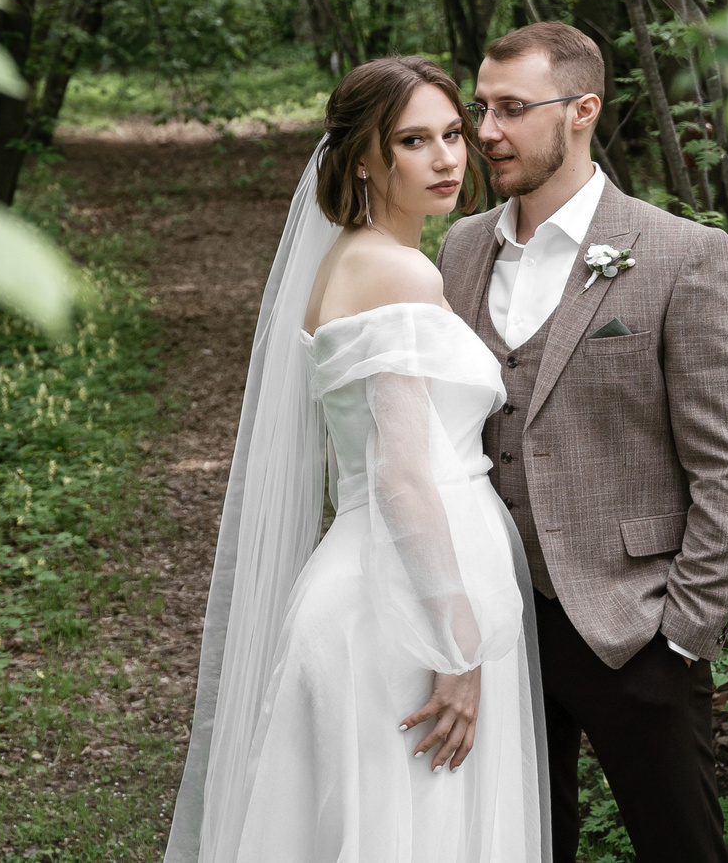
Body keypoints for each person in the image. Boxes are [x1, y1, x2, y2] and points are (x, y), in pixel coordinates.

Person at [165, 56, 549, 863]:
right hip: (408, 602)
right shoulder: (395, 270)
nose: (447, 158)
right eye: (414, 140)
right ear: (366, 158)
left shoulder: (349, 258)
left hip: (377, 578)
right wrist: (456, 646)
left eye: (453, 133)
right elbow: (403, 477)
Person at [444, 22, 728, 862]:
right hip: (498, 627)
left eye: (513, 108)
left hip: (633, 630)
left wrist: (682, 634)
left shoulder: (682, 254)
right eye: (481, 106)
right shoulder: (460, 249)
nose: (487, 131)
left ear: (582, 109)